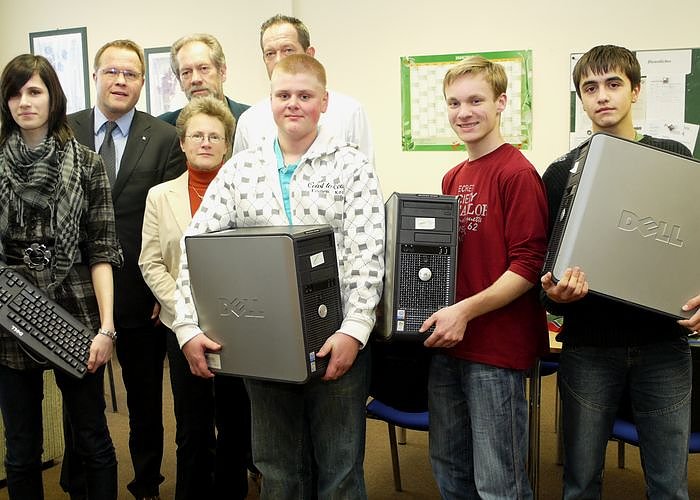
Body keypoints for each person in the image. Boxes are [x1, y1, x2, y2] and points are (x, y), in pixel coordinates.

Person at [172, 54, 384, 499]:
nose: (293, 104)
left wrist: (355, 329)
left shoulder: (351, 167)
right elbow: (197, 247)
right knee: (278, 469)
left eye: (305, 95)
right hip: (263, 343)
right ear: (269, 100)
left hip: (336, 337)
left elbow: (367, 253)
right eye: (283, 95)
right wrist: (187, 326)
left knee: (340, 469)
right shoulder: (240, 170)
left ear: (324, 102)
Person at [540, 44, 700, 500]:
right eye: (590, 88)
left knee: (669, 485)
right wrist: (554, 296)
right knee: (580, 481)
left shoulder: (674, 156)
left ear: (636, 91)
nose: (602, 96)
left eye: (613, 84)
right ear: (581, 99)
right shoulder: (560, 174)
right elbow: (544, 277)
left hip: (663, 346)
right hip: (589, 347)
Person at [419, 56, 549, 499]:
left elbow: (528, 266)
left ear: (501, 103)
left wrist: (465, 311)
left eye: (476, 100)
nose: (464, 112)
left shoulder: (517, 174)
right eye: (454, 103)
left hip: (496, 350)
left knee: (498, 481)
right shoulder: (453, 177)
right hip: (449, 342)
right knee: (450, 469)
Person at [67, 39, 186, 500]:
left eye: (131, 74)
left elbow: (170, 223)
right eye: (112, 72)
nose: (120, 81)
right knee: (81, 398)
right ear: (95, 76)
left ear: (142, 82)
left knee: (145, 399)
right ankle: (80, 483)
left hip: (140, 290)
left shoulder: (164, 137)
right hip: (75, 289)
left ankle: (147, 482)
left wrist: (161, 290)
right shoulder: (66, 129)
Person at [0, 53, 122, 500]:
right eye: (14, 93)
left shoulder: (86, 163)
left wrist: (106, 328)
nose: (24, 102)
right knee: (21, 448)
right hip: (9, 310)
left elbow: (102, 250)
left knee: (92, 438)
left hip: (75, 307)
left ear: (53, 97)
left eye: (34, 91)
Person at [139, 96, 250, 499]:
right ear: (183, 143)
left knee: (235, 423)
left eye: (214, 136)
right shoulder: (159, 196)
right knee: (192, 425)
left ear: (226, 145)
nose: (205, 142)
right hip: (181, 328)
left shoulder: (245, 194)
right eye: (197, 135)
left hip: (237, 325)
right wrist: (184, 309)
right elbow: (151, 262)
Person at [232, 14, 374, 160]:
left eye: (288, 50)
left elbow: (365, 171)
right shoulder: (249, 121)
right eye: (270, 53)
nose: (279, 60)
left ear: (309, 54)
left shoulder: (349, 113)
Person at [159, 33, 249, 128]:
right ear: (180, 81)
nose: (195, 79)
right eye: (186, 72)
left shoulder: (251, 119)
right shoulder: (163, 127)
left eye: (204, 68)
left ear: (222, 72)